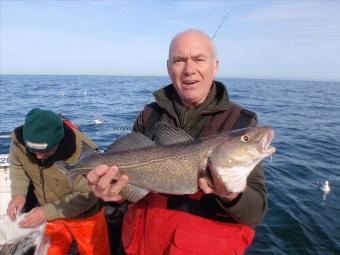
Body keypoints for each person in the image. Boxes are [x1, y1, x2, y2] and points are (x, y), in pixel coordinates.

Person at [87, 29, 268, 255]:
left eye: (199, 59)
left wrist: (232, 195)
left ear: (215, 65)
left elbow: (255, 212)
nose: (189, 69)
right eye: (179, 60)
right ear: (169, 67)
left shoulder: (240, 121)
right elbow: (127, 189)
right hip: (138, 245)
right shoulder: (149, 114)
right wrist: (112, 197)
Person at [7, 108, 110, 255]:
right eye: (33, 151)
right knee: (52, 251)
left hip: (85, 215)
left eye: (46, 152)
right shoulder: (19, 143)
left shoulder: (84, 153)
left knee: (95, 251)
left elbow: (87, 196)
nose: (39, 157)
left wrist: (46, 212)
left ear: (59, 142)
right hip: (50, 214)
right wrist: (19, 193)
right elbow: (17, 165)